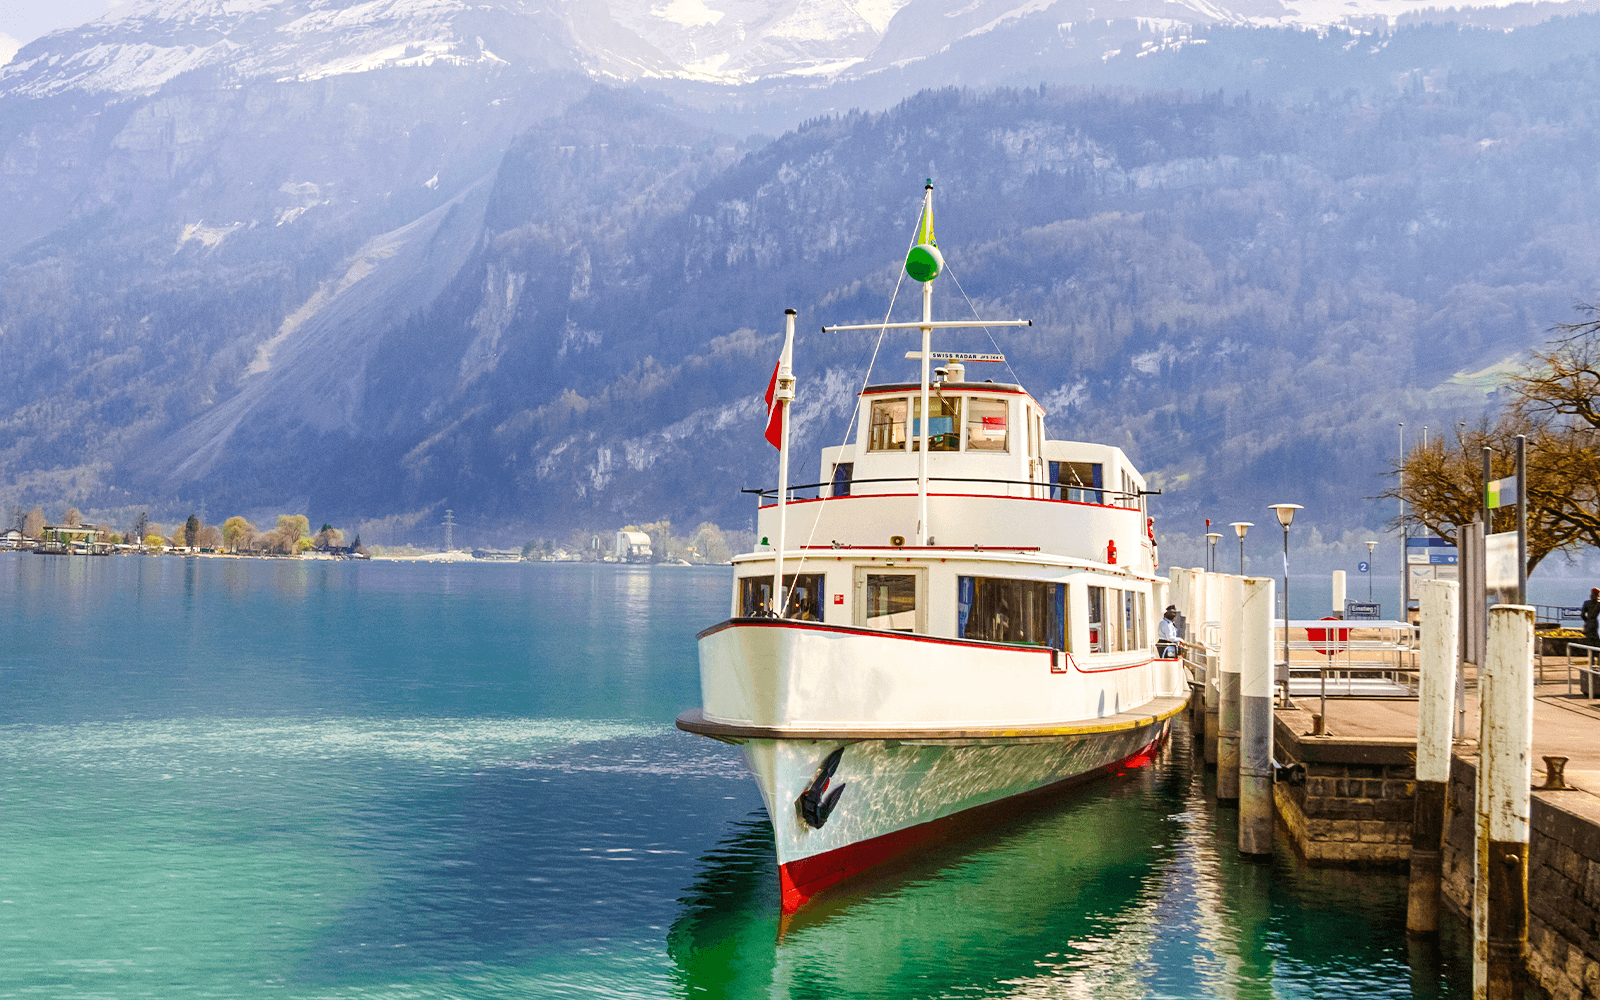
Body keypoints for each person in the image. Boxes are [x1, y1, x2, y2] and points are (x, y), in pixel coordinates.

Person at [1582, 588, 1600, 697]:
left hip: (1589, 625)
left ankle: (1593, 665)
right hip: (1593, 625)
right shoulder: (1598, 604)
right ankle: (1595, 665)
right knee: (1596, 646)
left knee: (1592, 646)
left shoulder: (1587, 603)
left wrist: (1587, 620)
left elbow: (1582, 615)